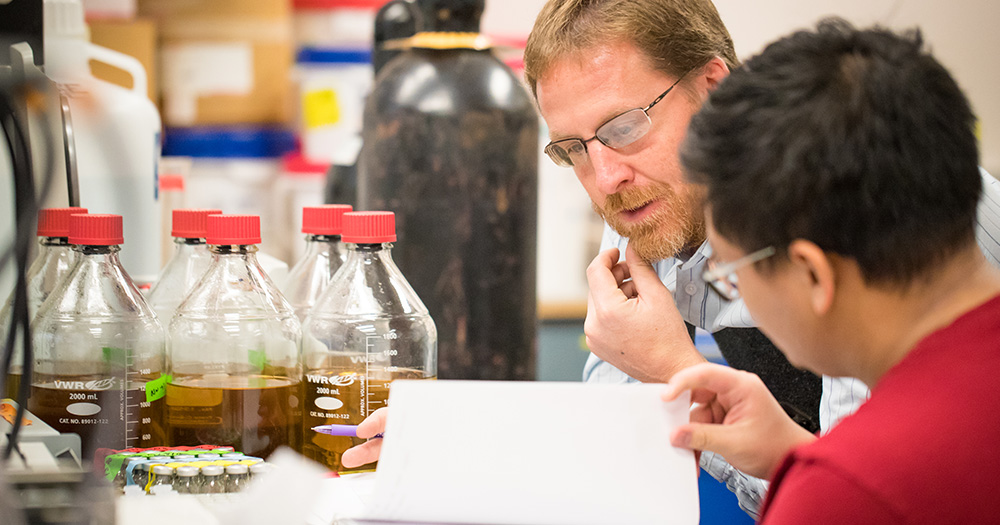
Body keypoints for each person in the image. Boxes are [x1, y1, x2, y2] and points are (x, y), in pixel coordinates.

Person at [344, 1, 1000, 515]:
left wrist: (673, 369)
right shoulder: (647, 192)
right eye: (572, 148)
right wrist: (471, 438)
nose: (604, 177)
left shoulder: (847, 199)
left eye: (624, 127)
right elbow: (623, 433)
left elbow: (861, 487)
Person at [660, 19, 1000, 522]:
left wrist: (820, 477)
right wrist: (790, 456)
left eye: (730, 269)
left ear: (813, 275)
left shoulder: (844, 494)